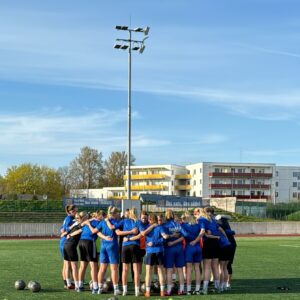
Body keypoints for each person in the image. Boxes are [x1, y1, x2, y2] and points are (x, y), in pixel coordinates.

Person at [118, 208, 141, 296]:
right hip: (135, 246)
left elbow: (115, 228)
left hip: (125, 246)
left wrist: (126, 236)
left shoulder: (124, 221)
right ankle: (137, 291)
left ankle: (125, 290)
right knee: (136, 270)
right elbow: (141, 234)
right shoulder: (138, 222)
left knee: (125, 269)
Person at [63, 211, 88, 291]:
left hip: (66, 245)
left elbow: (67, 230)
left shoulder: (74, 224)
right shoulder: (80, 224)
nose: (77, 219)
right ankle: (77, 286)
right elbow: (79, 231)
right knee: (74, 267)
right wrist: (70, 234)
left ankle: (69, 284)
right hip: (71, 246)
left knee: (67, 265)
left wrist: (67, 234)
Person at [181, 211, 202, 295]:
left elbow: (184, 234)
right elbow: (202, 233)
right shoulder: (197, 225)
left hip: (189, 247)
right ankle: (197, 290)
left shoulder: (183, 225)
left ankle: (189, 290)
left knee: (189, 269)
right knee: (197, 269)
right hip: (198, 247)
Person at [216, 214, 237, 290]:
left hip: (224, 245)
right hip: (230, 245)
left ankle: (223, 284)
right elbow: (231, 232)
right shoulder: (226, 225)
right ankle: (226, 284)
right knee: (226, 265)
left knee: (222, 265)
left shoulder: (219, 224)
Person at [60, 204, 77, 289]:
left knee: (66, 264)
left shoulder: (69, 218)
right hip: (65, 242)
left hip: (65, 242)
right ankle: (67, 283)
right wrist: (75, 224)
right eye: (75, 211)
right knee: (67, 264)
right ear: (71, 211)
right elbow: (65, 229)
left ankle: (67, 283)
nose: (76, 212)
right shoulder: (69, 218)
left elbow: (62, 229)